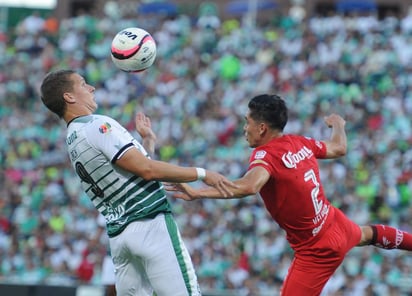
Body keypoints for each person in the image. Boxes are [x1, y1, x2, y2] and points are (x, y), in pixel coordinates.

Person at [167, 94, 412, 295]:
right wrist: (338, 124)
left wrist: (199, 192)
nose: (244, 128)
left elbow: (249, 186)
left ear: (261, 128)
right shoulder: (299, 142)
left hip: (315, 250)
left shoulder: (266, 156)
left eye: (247, 121)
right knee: (370, 234)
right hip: (335, 223)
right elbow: (339, 147)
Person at [39, 69, 236, 296]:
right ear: (69, 97)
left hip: (120, 237)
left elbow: (129, 173)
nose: (91, 88)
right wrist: (202, 173)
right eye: (83, 84)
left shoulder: (72, 139)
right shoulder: (98, 125)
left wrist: (148, 144)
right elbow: (147, 170)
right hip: (149, 223)